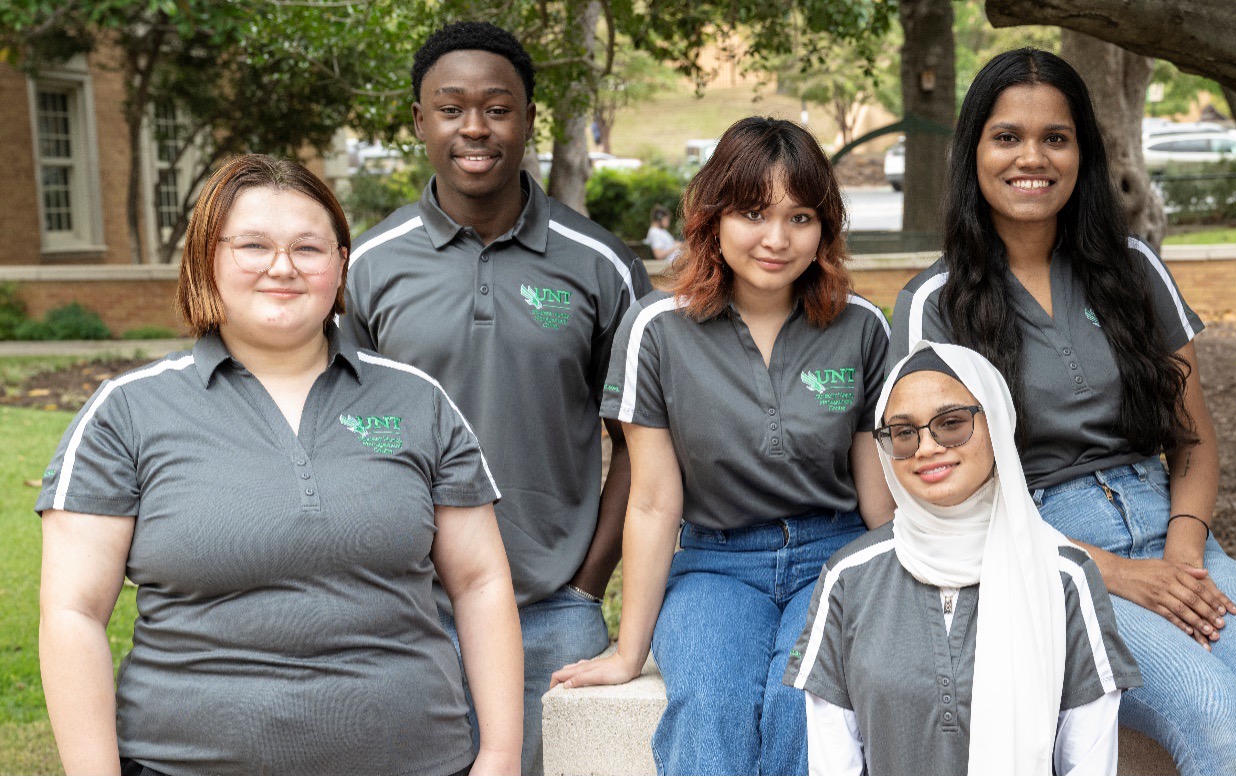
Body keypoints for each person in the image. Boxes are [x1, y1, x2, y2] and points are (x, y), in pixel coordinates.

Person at [890, 48, 1236, 775]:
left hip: (1172, 533)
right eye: (1007, 136)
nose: (1031, 157)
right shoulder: (932, 306)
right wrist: (1115, 573)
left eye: (1055, 138)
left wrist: (1182, 556)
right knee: (1212, 709)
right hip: (1039, 561)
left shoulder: (1133, 268)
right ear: (973, 150)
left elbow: (1192, 441)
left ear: (1082, 153)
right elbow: (936, 495)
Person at [36, 154, 523, 776]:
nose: (282, 268)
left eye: (308, 248)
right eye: (253, 245)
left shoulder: (418, 402)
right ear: (207, 259)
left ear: (341, 263)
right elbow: (73, 615)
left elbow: (481, 584)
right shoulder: (126, 413)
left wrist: (501, 755)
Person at [341, 21, 652, 775]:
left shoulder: (601, 264)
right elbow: (342, 434)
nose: (474, 127)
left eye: (498, 107)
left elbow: (645, 448)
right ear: (419, 121)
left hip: (554, 611)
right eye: (451, 108)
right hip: (408, 610)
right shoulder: (368, 268)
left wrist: (588, 583)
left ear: (529, 118)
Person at [550, 116, 896, 775]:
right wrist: (629, 650)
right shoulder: (657, 329)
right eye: (753, 213)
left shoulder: (862, 327)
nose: (776, 239)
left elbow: (879, 498)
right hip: (715, 564)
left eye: (800, 218)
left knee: (806, 700)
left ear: (825, 227)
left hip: (835, 558)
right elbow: (652, 502)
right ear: (714, 215)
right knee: (710, 702)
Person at [785, 341, 1141, 775]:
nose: (927, 447)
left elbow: (1087, 764)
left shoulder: (1063, 575)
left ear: (996, 422)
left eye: (951, 423)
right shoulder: (849, 578)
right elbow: (832, 765)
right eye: (903, 433)